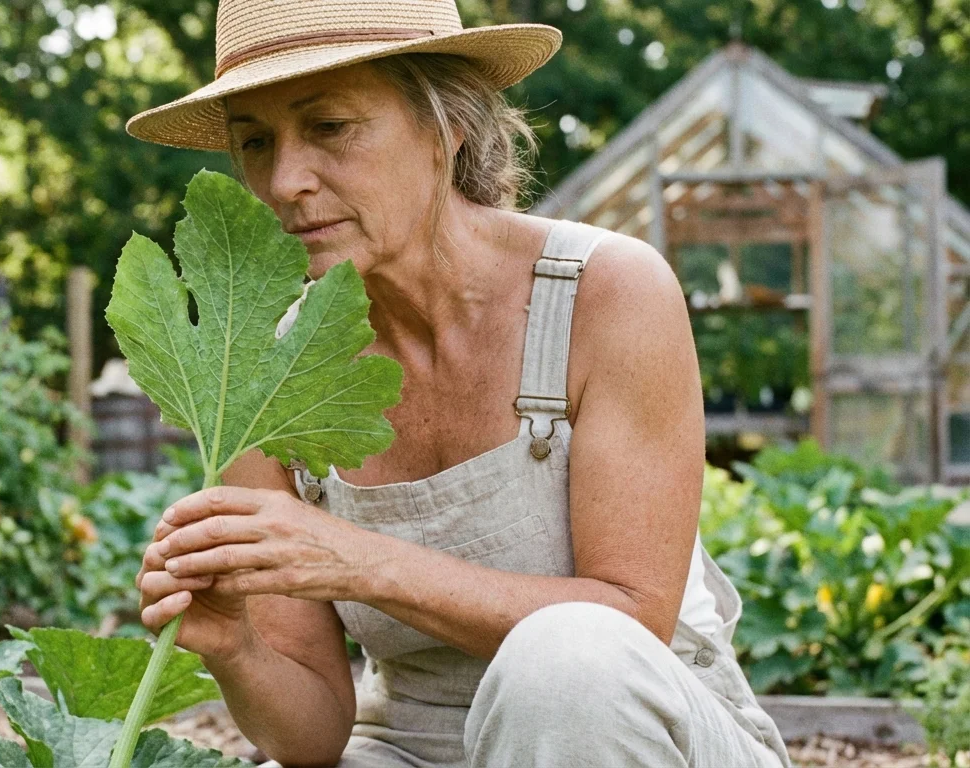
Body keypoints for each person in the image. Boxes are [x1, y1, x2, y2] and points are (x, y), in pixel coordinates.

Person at [127, 1, 793, 766]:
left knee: (567, 660)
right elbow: (309, 738)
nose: (286, 180)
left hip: (642, 734)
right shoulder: (265, 373)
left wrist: (359, 559)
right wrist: (235, 647)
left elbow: (628, 624)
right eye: (254, 140)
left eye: (330, 127)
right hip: (411, 748)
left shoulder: (605, 294)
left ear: (449, 124)